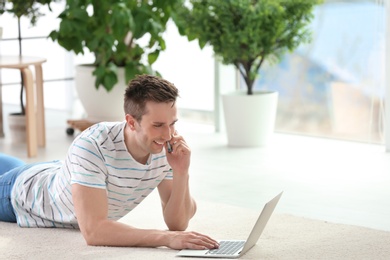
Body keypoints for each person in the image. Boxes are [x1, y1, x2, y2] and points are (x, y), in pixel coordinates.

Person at [0, 74, 219, 250]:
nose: (168, 134)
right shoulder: (92, 145)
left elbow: (177, 224)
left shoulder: (165, 147)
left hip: (57, 173)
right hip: (19, 193)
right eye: (158, 125)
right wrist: (165, 238)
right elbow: (95, 231)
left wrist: (181, 172)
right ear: (131, 122)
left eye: (172, 124)